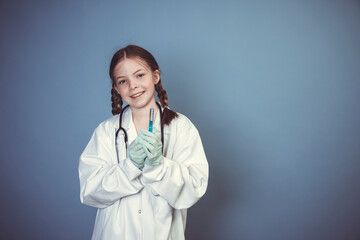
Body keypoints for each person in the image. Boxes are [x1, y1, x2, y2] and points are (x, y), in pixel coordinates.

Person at [78, 45, 209, 240]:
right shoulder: (106, 132)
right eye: (123, 81)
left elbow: (194, 188)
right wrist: (129, 167)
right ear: (116, 88)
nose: (133, 86)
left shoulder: (181, 127)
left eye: (140, 75)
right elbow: (89, 192)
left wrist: (159, 165)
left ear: (155, 76)